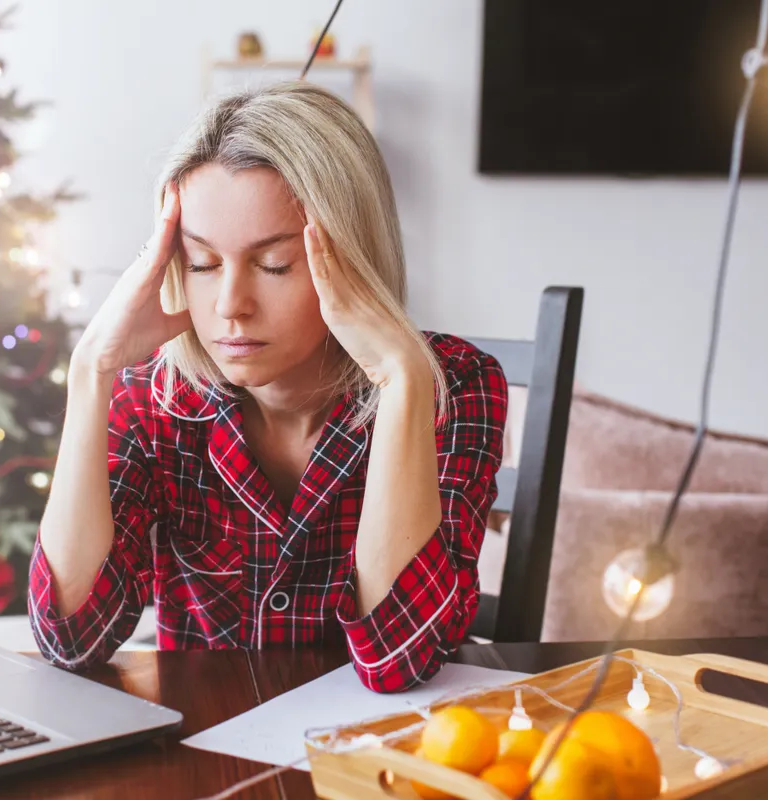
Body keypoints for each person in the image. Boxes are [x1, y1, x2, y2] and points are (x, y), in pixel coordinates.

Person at [27, 81, 508, 693]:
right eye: (201, 263)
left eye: (275, 265)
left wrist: (402, 381)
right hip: (209, 755)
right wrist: (91, 368)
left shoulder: (454, 386)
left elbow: (398, 661)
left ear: (354, 257)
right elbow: (71, 639)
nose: (231, 305)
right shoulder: (155, 397)